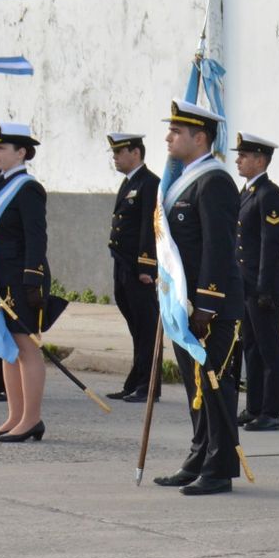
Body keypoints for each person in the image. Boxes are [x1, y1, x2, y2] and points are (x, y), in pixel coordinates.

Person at [151, 100, 245, 495]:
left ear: (200, 137)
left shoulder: (215, 181)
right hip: (184, 305)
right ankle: (200, 453)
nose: (168, 137)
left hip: (212, 309)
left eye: (176, 132)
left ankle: (220, 467)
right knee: (195, 386)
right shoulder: (181, 180)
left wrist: (207, 303)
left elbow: (218, 249)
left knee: (216, 384)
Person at [0, 123, 51, 442]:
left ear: (21, 153)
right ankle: (15, 415)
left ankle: (32, 419)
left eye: (2, 148)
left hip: (22, 279)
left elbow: (36, 237)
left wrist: (33, 279)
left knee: (26, 346)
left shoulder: (27, 188)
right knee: (8, 349)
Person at [233, 132, 279, 432]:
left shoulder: (270, 195)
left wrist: (265, 288)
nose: (238, 160)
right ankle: (254, 405)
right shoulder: (248, 192)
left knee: (269, 349)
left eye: (243, 156)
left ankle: (272, 411)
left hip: (262, 286)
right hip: (246, 284)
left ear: (259, 160)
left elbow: (271, 245)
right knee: (251, 347)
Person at [104, 133, 160, 402]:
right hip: (124, 264)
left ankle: (149, 385)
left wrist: (147, 265)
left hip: (140, 269)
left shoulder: (149, 183)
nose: (114, 158)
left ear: (135, 153)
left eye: (119, 152)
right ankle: (135, 380)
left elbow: (151, 227)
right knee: (136, 326)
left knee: (146, 327)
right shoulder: (130, 183)